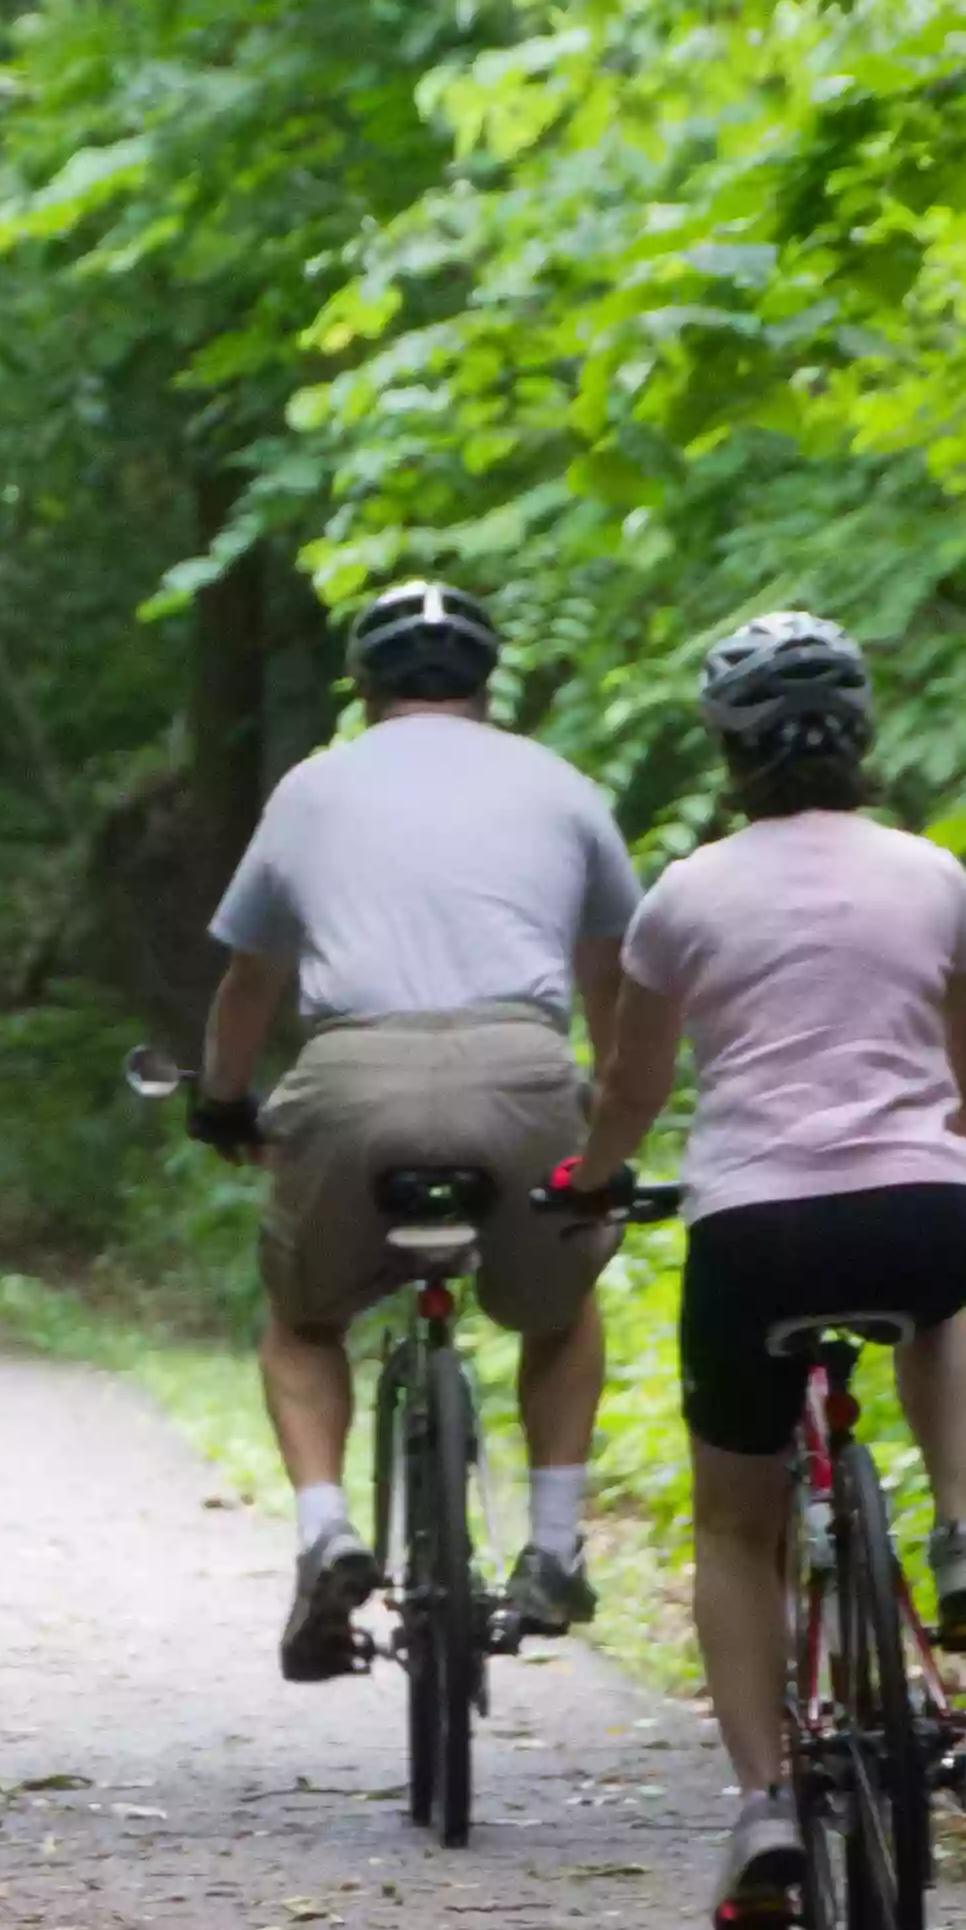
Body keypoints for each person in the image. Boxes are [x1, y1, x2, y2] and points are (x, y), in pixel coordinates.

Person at [554, 611, 966, 1930]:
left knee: (731, 1527)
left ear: (729, 753)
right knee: (940, 1294)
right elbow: (965, 1087)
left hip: (755, 1237)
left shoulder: (685, 894)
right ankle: (962, 1532)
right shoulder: (936, 876)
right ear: (863, 738)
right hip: (921, 1212)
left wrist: (592, 1179)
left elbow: (636, 1089)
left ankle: (762, 1803)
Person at [192, 578, 644, 1682]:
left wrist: (222, 1104)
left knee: (302, 1320)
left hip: (354, 1080)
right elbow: (613, 993)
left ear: (364, 686)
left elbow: (249, 984)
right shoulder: (563, 787)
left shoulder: (310, 791)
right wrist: (615, 1135)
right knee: (562, 1307)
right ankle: (550, 1544)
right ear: (489, 685)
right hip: (521, 1074)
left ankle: (326, 1534)